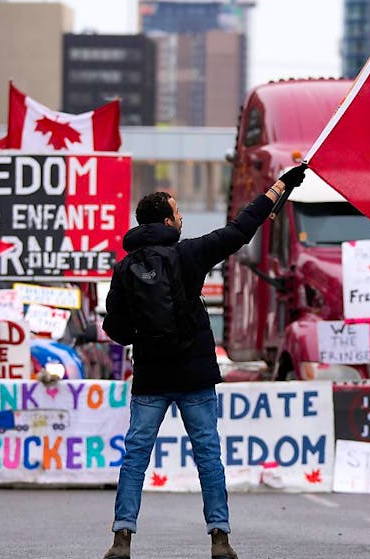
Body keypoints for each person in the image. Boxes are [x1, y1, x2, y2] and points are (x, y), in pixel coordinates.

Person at [101, 163, 308, 559]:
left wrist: (144, 336)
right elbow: (240, 229)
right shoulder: (189, 254)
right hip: (194, 373)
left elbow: (115, 326)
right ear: (167, 220)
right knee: (208, 455)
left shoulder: (124, 267)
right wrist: (281, 185)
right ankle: (220, 538)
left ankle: (121, 538)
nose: (182, 219)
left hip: (150, 377)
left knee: (136, 456)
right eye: (178, 214)